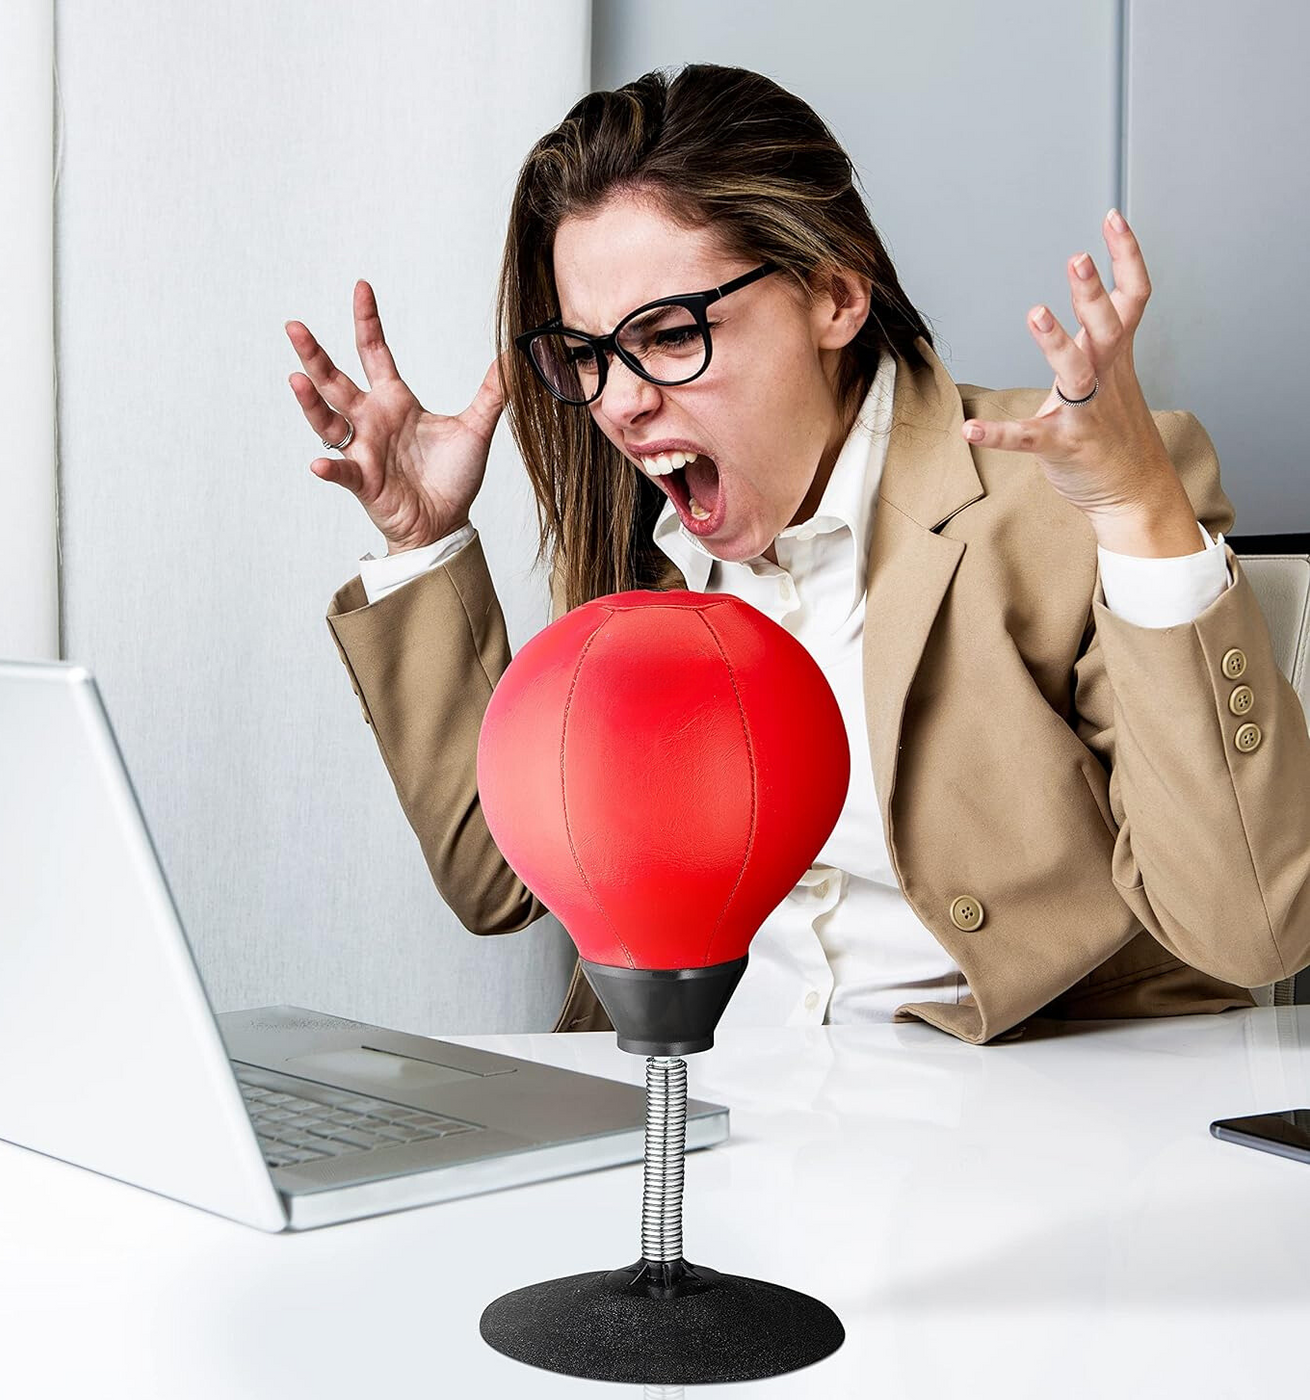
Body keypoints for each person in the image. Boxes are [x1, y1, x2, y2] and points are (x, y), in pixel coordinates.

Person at [286, 63, 1310, 1045]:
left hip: (1010, 1129)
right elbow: (503, 881)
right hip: (713, 1127)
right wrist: (420, 543)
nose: (622, 399)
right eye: (589, 355)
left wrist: (1134, 509)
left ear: (833, 296)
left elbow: (1249, 931)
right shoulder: (646, 560)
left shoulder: (1054, 504)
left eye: (668, 332)